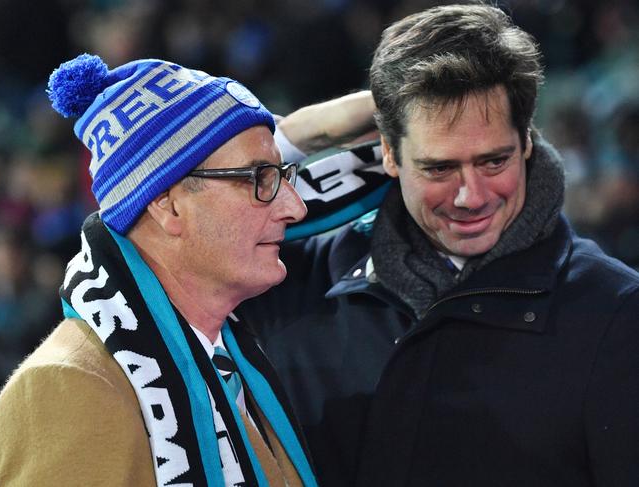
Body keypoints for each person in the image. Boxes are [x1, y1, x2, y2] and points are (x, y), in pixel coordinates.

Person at [238, 4, 639, 486]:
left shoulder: (616, 314)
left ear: (527, 142)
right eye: (439, 168)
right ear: (388, 152)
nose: (472, 196)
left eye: (494, 162)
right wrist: (299, 134)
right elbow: (137, 222)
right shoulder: (288, 281)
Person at [0, 53, 318, 487]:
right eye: (258, 178)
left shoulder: (232, 358)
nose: (295, 206)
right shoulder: (69, 386)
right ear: (167, 204)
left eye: (282, 175)